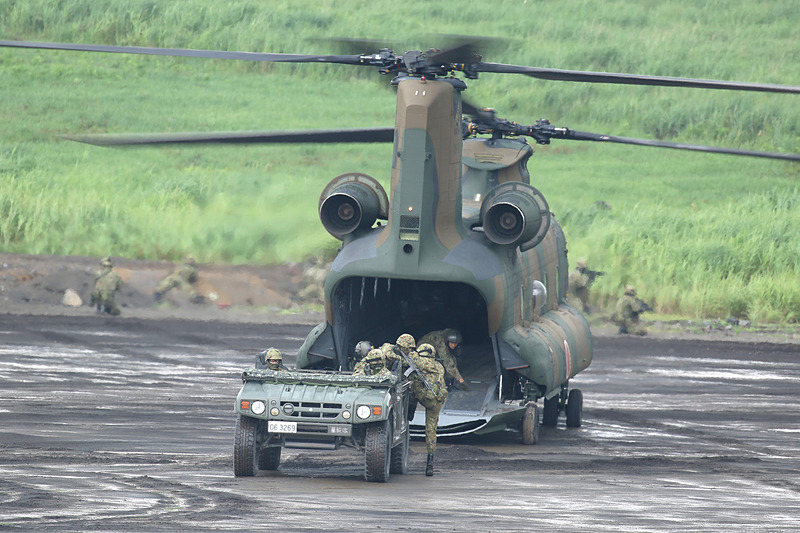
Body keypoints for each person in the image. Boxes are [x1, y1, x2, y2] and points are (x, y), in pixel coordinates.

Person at [386, 334, 447, 476]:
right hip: (436, 401)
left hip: (422, 396)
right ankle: (430, 462)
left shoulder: (419, 360)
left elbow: (400, 354)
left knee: (411, 384)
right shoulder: (439, 366)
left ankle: (409, 413)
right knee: (431, 431)